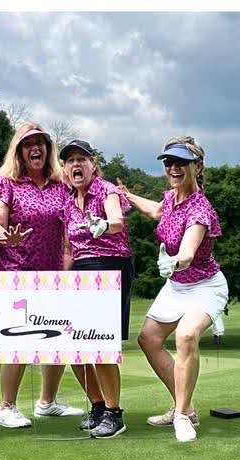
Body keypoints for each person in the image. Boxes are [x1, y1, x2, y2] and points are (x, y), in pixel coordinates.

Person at [117, 136, 228, 442]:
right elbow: (156, 210)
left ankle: (181, 416)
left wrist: (174, 262)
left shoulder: (200, 209)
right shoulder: (171, 199)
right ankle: (187, 406)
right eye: (169, 162)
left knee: (187, 335)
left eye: (181, 162)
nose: (174, 168)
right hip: (177, 286)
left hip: (205, 285)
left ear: (198, 166)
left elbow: (189, 251)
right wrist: (128, 195)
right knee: (149, 339)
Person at [0, 123, 84, 428]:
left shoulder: (61, 185)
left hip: (53, 271)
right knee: (20, 342)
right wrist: (5, 238)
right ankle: (6, 407)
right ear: (19, 151)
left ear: (48, 149)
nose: (35, 148)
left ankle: (47, 402)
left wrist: (67, 269)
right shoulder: (7, 183)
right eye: (28, 143)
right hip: (15, 271)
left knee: (57, 338)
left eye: (41, 142)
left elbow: (68, 233)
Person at [60, 139, 134, 439]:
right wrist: (63, 279)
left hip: (109, 265)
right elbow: (67, 248)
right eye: (70, 161)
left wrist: (103, 224)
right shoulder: (67, 201)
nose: (76, 165)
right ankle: (98, 406)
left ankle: (114, 414)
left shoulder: (106, 190)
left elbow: (116, 220)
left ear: (93, 165)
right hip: (80, 269)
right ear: (64, 169)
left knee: (99, 343)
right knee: (72, 345)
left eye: (82, 159)